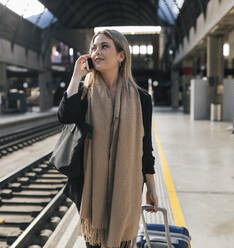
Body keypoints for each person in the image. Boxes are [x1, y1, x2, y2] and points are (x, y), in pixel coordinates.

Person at [57, 29, 158, 248]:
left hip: (127, 184)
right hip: (90, 185)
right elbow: (65, 116)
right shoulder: (85, 93)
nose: (96, 52)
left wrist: (151, 186)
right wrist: (76, 76)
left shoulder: (141, 99)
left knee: (122, 239)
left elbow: (145, 146)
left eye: (104, 46)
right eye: (94, 47)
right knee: (94, 241)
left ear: (122, 56)